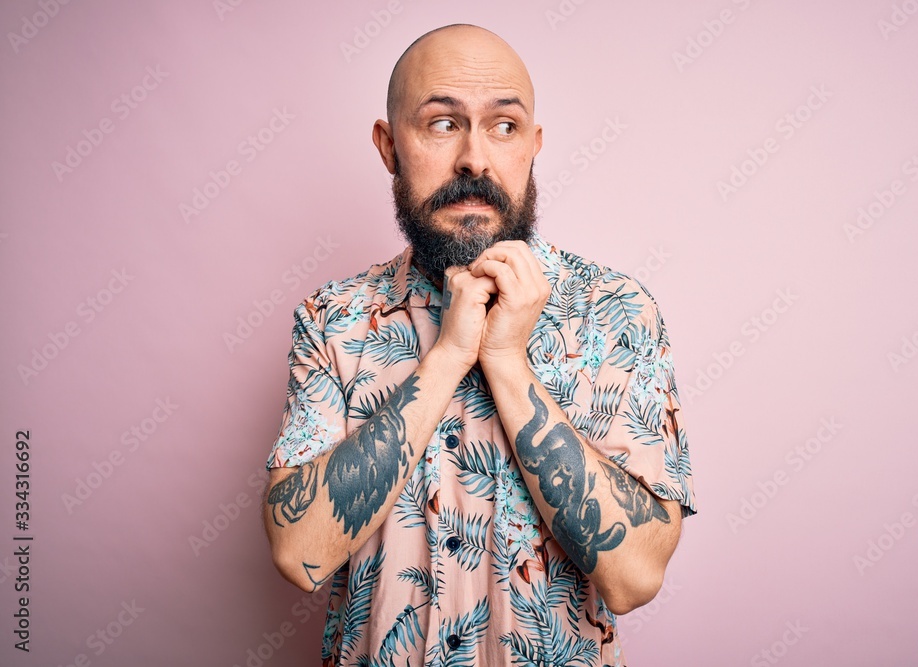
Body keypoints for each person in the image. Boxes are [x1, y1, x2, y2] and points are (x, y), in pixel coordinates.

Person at [262, 23, 697, 667]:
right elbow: (300, 553)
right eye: (441, 124)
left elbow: (633, 577)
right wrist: (447, 358)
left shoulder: (617, 311)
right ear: (388, 146)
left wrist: (504, 361)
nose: (474, 158)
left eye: (503, 126)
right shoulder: (334, 320)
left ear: (533, 146)